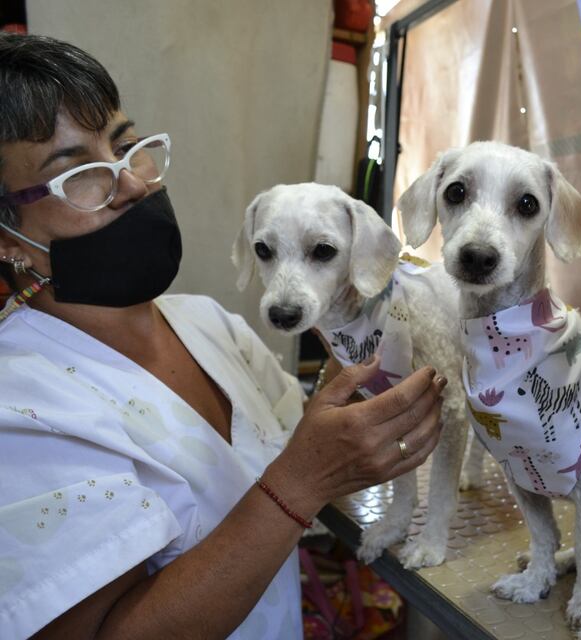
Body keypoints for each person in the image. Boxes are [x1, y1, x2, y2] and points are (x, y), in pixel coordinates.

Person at [0, 32, 445, 639]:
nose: (132, 182)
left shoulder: (208, 325)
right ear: (5, 236)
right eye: (78, 173)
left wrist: (362, 354)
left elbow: (302, 435)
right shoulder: (20, 404)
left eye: (129, 146)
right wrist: (302, 482)